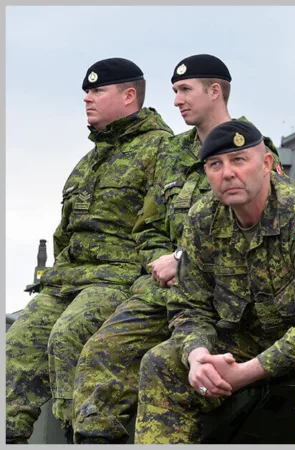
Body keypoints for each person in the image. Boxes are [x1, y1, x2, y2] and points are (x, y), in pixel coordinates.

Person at [133, 120, 295, 444]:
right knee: (160, 363)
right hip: (256, 328)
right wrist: (197, 355)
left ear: (267, 164)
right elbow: (189, 306)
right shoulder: (202, 220)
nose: (227, 173)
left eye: (238, 160)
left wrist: (247, 372)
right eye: (215, 164)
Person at [71, 54, 282, 443]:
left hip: (223, 296)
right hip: (163, 291)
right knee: (101, 352)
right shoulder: (170, 153)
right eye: (174, 91)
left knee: (165, 366)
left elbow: (264, 230)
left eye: (185, 90)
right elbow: (148, 225)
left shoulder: (252, 151)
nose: (176, 100)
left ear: (214, 91)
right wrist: (158, 260)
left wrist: (183, 260)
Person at [5, 58, 173, 444]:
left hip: (118, 278)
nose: (87, 98)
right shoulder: (89, 161)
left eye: (98, 91)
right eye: (86, 91)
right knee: (17, 343)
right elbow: (66, 232)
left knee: (67, 336)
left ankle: (74, 434)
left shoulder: (161, 151)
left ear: (129, 95)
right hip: (69, 278)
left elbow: (164, 227)